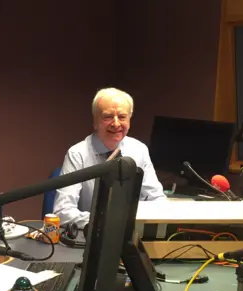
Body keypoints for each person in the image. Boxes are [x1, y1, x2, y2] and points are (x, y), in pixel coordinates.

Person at [53, 87, 166, 228]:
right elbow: (62, 212)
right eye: (108, 117)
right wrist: (107, 223)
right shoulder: (78, 154)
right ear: (95, 121)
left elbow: (156, 199)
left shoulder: (139, 150)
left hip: (130, 234)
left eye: (122, 117)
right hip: (90, 234)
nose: (116, 123)